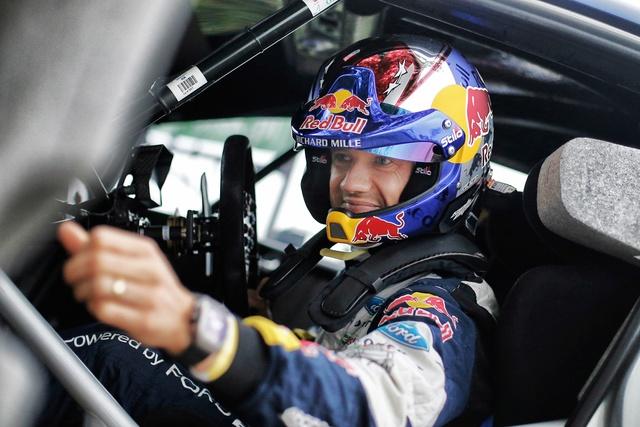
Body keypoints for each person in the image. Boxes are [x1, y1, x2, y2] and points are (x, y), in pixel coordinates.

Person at [47, 35, 498, 427]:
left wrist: (203, 330)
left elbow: (374, 405)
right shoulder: (380, 268)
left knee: (111, 356)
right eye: (342, 158)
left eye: (383, 160)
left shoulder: (441, 306)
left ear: (437, 169)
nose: (351, 184)